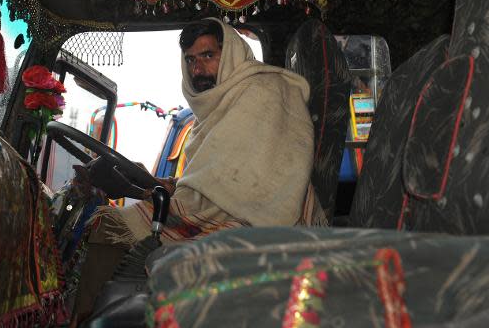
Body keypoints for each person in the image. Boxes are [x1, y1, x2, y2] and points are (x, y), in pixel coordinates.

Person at [72, 18, 325, 322]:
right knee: (108, 223)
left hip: (256, 224)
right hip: (225, 213)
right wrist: (142, 184)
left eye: (208, 56)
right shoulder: (215, 109)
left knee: (106, 227)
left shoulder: (263, 91)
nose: (197, 68)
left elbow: (249, 190)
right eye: (191, 59)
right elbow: (213, 182)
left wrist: (146, 192)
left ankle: (86, 317)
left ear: (229, 52)